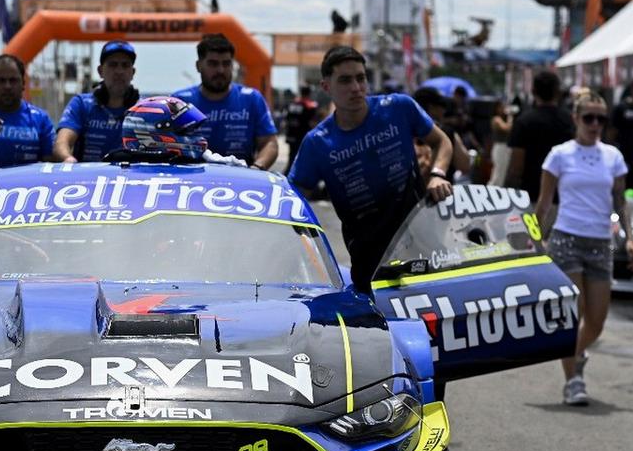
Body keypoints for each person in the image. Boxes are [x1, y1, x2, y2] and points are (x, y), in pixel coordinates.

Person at [288, 45, 453, 294]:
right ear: (326, 87)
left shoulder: (399, 107)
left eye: (361, 78)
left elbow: (442, 141)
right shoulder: (317, 143)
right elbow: (294, 197)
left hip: (424, 245)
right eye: (345, 80)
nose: (356, 87)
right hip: (370, 264)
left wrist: (437, 174)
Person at [535, 92, 633, 406]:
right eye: (589, 118)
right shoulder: (559, 155)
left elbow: (620, 201)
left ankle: (575, 353)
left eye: (601, 118)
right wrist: (535, 238)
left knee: (597, 320)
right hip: (566, 238)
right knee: (574, 315)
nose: (595, 124)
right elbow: (544, 202)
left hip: (600, 242)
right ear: (575, 119)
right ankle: (573, 381)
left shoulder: (613, 157)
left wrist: (630, 239)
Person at [173, 34, 278, 169]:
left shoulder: (252, 99)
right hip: (192, 179)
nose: (220, 70)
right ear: (199, 66)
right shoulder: (180, 102)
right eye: (213, 64)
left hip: (241, 179)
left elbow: (269, 143)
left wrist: (257, 168)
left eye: (226, 64)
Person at [52, 40, 140, 163]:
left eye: (125, 65)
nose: (119, 71)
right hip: (87, 179)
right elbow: (61, 143)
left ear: (132, 73)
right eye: (113, 65)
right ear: (100, 71)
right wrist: (68, 159)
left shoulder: (142, 109)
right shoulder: (81, 104)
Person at [505, 70, 573, 202]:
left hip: (531, 197)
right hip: (564, 198)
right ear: (557, 92)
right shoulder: (570, 120)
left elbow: (516, 166)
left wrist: (508, 193)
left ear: (533, 91)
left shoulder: (524, 121)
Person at [413, 86, 472, 181]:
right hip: (441, 192)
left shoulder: (402, 131)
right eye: (442, 105)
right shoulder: (447, 132)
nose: (444, 110)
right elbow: (465, 165)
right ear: (431, 107)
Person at [282, 85, 319, 176]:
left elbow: (286, 119)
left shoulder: (291, 104)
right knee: (301, 159)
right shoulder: (310, 106)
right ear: (309, 93)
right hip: (303, 137)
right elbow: (313, 122)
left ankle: (287, 175)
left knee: (291, 156)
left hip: (291, 135)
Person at [489, 99, 513, 185]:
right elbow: (507, 128)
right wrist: (511, 116)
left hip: (504, 147)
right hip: (500, 147)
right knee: (498, 173)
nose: (503, 108)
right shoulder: (496, 119)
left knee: (502, 172)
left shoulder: (503, 119)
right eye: (501, 106)